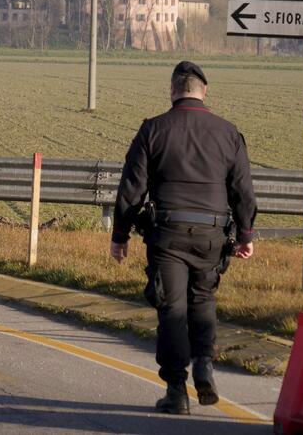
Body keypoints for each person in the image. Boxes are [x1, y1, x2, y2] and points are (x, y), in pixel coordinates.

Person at [109, 61, 256, 415]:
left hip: (169, 234)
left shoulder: (153, 130)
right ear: (204, 92)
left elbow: (132, 189)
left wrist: (120, 235)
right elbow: (242, 190)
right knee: (203, 298)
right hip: (212, 236)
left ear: (172, 90)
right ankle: (204, 362)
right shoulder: (228, 132)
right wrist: (246, 233)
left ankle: (176, 390)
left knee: (171, 309)